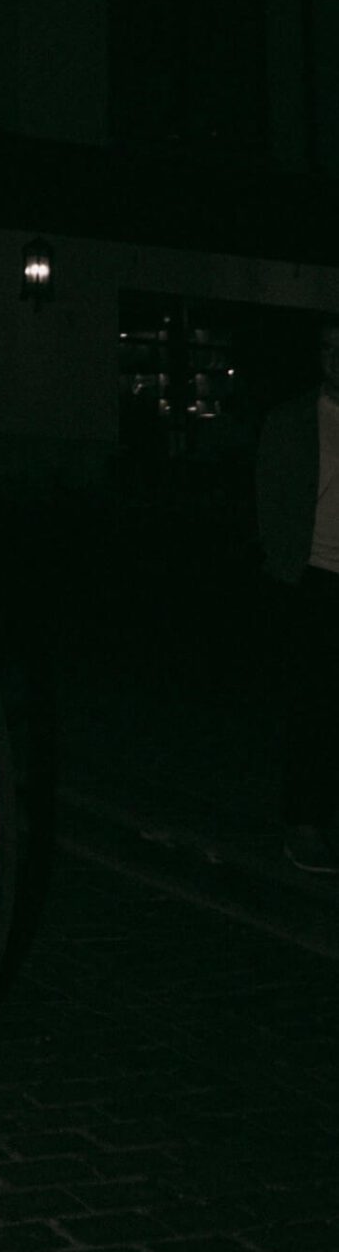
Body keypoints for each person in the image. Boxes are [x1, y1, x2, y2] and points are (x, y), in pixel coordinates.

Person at [255, 318, 339, 874]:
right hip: (315, 579)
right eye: (331, 349)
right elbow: (270, 498)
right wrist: (285, 571)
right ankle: (303, 825)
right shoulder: (293, 420)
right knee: (312, 708)